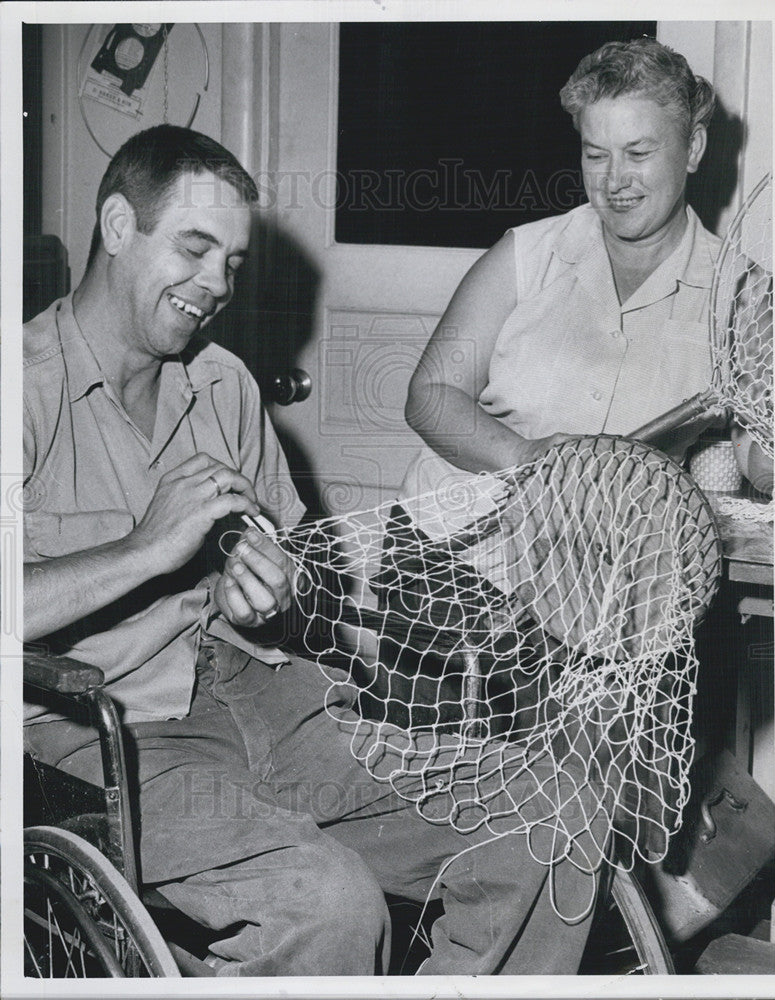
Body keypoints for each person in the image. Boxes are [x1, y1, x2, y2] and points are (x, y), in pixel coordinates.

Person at [24, 124, 609, 977]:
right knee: (331, 909)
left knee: (553, 810)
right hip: (106, 736)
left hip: (272, 699)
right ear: (118, 225)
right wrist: (146, 549)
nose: (216, 283)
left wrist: (276, 590)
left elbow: (298, 566)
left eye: (231, 260)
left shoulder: (222, 382)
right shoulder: (22, 392)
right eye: (193, 248)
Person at [399, 37, 772, 517]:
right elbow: (429, 396)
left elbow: (763, 450)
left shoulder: (743, 293)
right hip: (455, 544)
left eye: (638, 153)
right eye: (596, 155)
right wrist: (526, 456)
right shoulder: (525, 254)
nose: (614, 181)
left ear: (693, 148)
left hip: (616, 564)